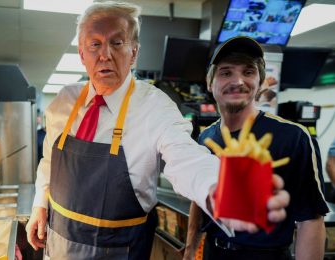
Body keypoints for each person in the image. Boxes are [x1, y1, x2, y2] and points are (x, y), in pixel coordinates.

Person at [25, 3, 289, 259]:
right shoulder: (64, 101)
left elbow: (187, 158)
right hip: (58, 244)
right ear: (82, 54)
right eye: (95, 44)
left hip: (119, 251)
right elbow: (49, 160)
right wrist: (39, 203)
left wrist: (223, 190)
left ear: (134, 52)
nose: (105, 54)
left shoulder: (155, 107)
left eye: (117, 43)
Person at [184, 36, 329, 260]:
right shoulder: (205, 137)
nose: (238, 81)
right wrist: (191, 249)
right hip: (214, 253)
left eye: (248, 72)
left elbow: (310, 219)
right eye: (226, 72)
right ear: (210, 82)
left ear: (261, 82)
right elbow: (199, 202)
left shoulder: (293, 137)